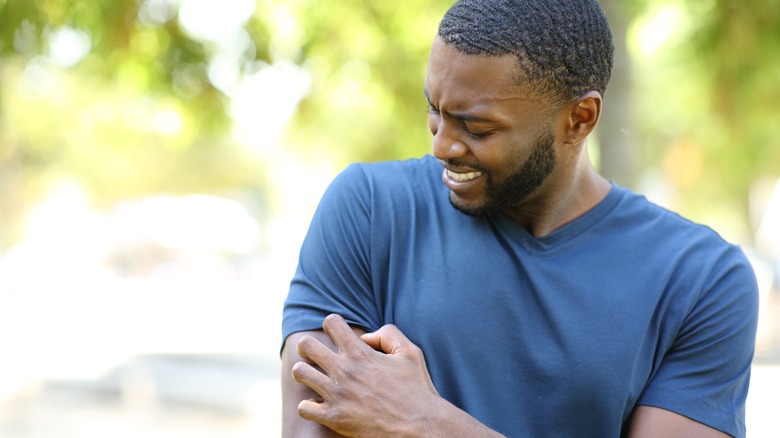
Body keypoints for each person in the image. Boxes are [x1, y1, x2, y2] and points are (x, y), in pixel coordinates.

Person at [280, 0, 759, 436]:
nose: (441, 145)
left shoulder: (701, 279)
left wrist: (428, 422)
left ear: (580, 118)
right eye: (435, 109)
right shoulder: (368, 210)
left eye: (477, 127)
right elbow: (311, 427)